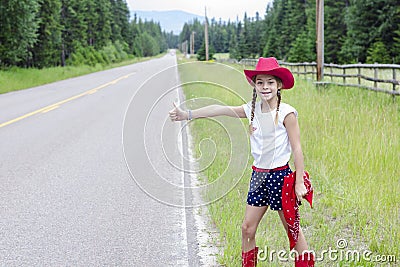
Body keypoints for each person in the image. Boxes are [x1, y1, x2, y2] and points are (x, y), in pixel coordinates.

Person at [169, 57, 314, 267]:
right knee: (247, 228)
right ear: (254, 85)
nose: (265, 87)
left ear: (279, 85)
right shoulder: (251, 110)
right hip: (258, 177)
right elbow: (219, 109)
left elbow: (297, 148)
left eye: (270, 82)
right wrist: (187, 114)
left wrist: (299, 181)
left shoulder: (287, 113)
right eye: (260, 82)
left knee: (292, 230)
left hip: (281, 178)